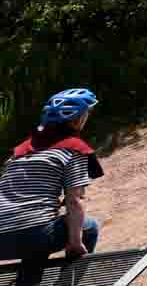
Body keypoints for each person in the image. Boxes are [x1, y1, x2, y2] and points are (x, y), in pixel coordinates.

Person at [2, 89, 102, 283]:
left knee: (37, 232)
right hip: (34, 233)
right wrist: (75, 242)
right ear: (77, 120)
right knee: (89, 227)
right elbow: (75, 201)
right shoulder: (73, 148)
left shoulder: (19, 152)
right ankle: (70, 282)